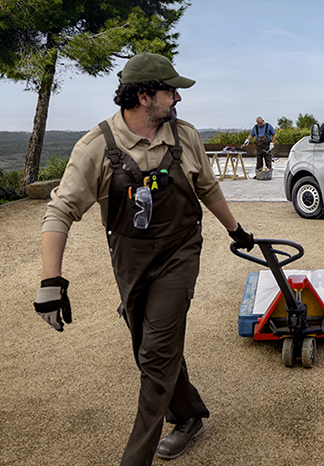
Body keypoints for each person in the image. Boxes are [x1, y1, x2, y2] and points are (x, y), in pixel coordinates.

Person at [33, 52, 255, 466]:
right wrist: (51, 282)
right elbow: (59, 211)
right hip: (129, 259)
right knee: (148, 345)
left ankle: (135, 458)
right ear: (143, 96)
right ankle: (188, 415)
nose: (177, 99)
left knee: (154, 354)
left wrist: (235, 229)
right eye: (170, 91)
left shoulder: (184, 136)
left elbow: (207, 188)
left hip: (180, 252)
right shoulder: (96, 147)